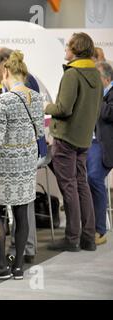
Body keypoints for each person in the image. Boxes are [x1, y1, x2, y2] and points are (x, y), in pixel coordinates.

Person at [0, 51, 45, 280]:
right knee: (21, 212)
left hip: (6, 164)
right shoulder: (36, 96)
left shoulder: (5, 99)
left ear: (6, 71)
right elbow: (40, 131)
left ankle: (2, 264)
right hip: (27, 162)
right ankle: (18, 267)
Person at [45, 32, 103, 252]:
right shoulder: (95, 74)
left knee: (69, 187)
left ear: (75, 49)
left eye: (68, 46)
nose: (65, 50)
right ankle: (88, 237)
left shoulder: (72, 74)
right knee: (81, 185)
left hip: (66, 138)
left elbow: (63, 109)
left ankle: (71, 239)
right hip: (83, 139)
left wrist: (45, 107)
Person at [87, 61, 113, 246]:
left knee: (94, 179)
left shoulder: (108, 95)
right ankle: (87, 228)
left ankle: (100, 230)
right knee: (82, 181)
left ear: (106, 79)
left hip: (103, 147)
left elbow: (107, 115)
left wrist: (96, 97)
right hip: (88, 143)